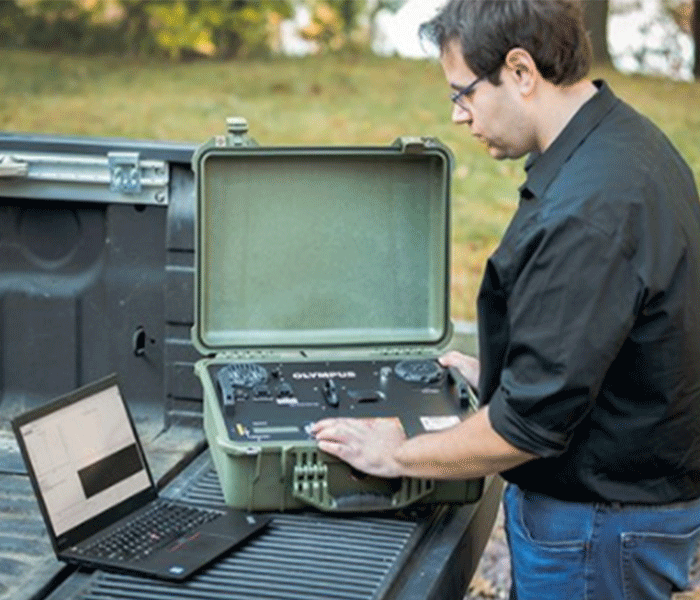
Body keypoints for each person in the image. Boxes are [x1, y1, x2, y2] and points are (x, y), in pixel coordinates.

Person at [312, 1, 700, 598]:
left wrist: (399, 454)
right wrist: (501, 374)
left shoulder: (589, 210)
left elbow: (525, 430)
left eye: (463, 93)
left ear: (520, 71)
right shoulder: (625, 142)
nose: (458, 115)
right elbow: (605, 334)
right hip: (625, 500)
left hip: (598, 528)